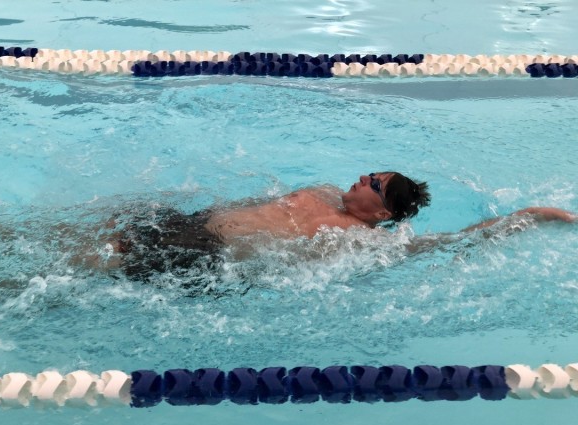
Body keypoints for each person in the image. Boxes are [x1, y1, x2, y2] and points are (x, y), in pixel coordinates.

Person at [94, 171, 575, 280]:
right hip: (191, 224)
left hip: (201, 257)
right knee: (74, 239)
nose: (364, 178)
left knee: (83, 265)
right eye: (371, 173)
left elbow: (451, 242)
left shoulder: (365, 242)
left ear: (383, 212)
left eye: (375, 184)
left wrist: (529, 216)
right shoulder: (322, 191)